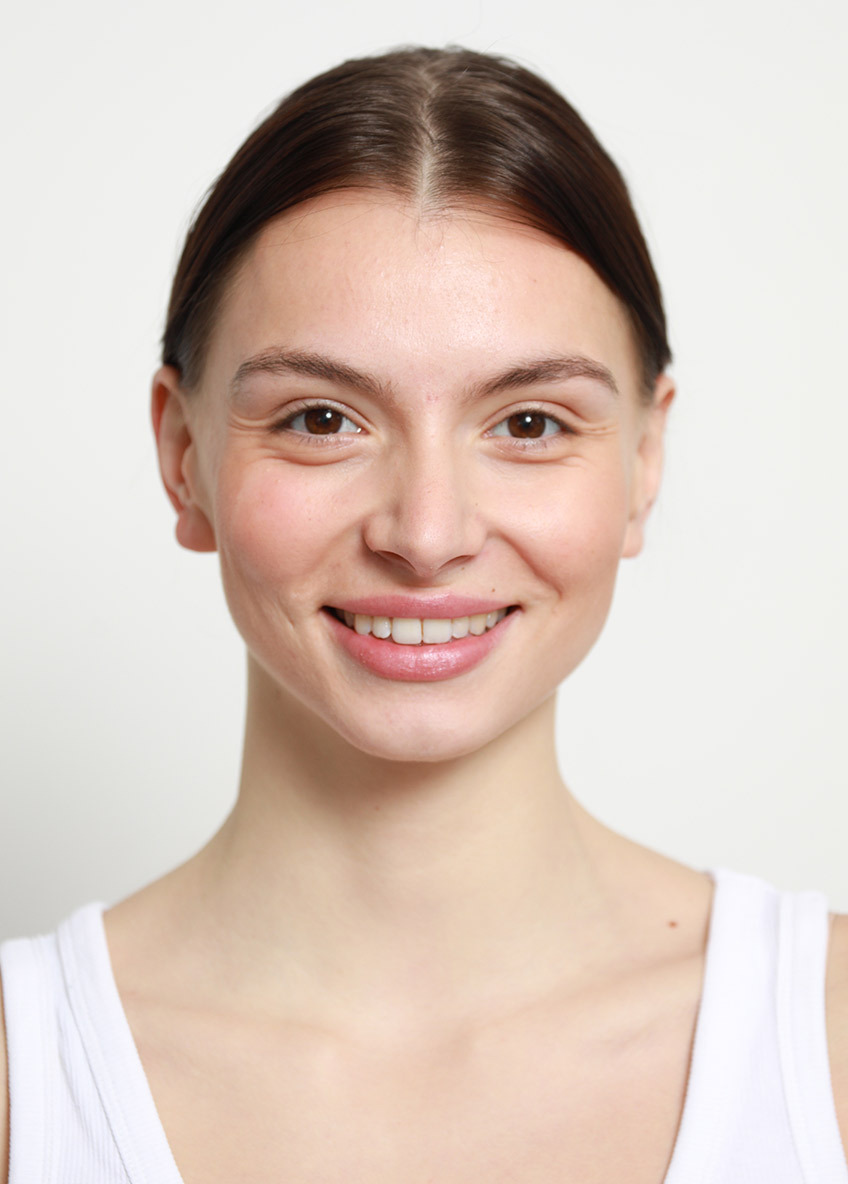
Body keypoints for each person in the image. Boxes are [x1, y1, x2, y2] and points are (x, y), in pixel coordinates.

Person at [1, 44, 847, 1184]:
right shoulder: (19, 1078)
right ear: (182, 454)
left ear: (644, 462)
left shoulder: (829, 1039)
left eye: (530, 423)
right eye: (320, 418)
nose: (427, 531)